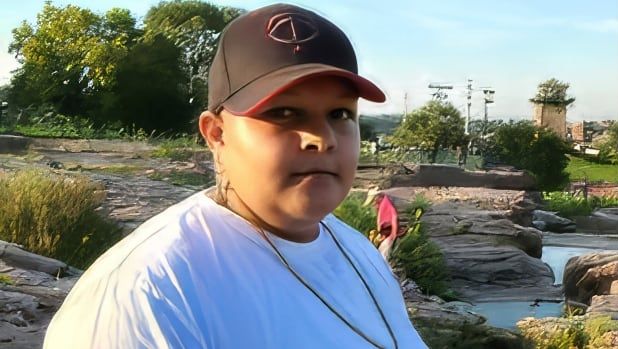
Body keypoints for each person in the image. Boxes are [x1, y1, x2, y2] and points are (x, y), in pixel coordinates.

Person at [43, 3, 428, 348]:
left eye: (339, 114)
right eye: (283, 113)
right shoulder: (150, 294)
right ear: (216, 134)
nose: (321, 139)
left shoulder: (359, 252)